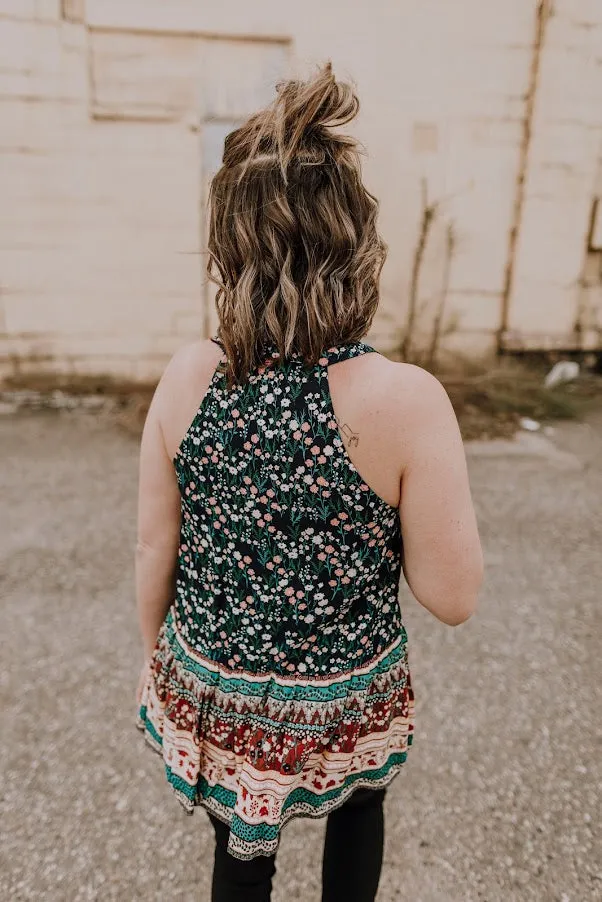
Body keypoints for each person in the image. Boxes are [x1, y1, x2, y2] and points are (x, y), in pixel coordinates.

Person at [134, 61, 483, 902]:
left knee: (240, 847)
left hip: (217, 686)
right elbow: (453, 594)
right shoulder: (404, 400)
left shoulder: (189, 377)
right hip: (347, 693)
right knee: (361, 805)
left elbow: (156, 543)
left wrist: (163, 670)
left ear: (227, 248)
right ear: (356, 241)